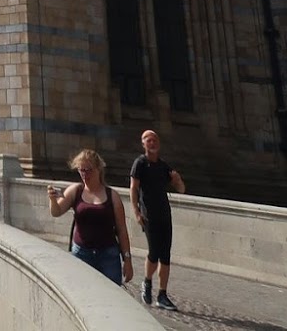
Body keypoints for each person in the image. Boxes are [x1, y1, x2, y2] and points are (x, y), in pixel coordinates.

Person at [47, 149, 133, 287]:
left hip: (108, 255)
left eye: (88, 170)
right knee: (82, 292)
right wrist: (52, 200)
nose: (84, 174)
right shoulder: (75, 190)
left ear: (99, 169)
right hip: (81, 253)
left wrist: (127, 260)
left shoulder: (112, 196)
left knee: (111, 294)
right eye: (81, 170)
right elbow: (56, 212)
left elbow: (122, 230)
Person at [131, 129, 185, 310]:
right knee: (154, 253)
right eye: (148, 140)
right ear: (143, 144)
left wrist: (177, 180)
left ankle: (162, 294)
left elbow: (182, 189)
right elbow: (133, 189)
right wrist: (136, 212)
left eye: (154, 140)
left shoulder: (163, 166)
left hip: (164, 215)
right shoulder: (140, 163)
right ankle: (147, 282)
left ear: (158, 143)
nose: (152, 143)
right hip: (149, 215)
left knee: (166, 256)